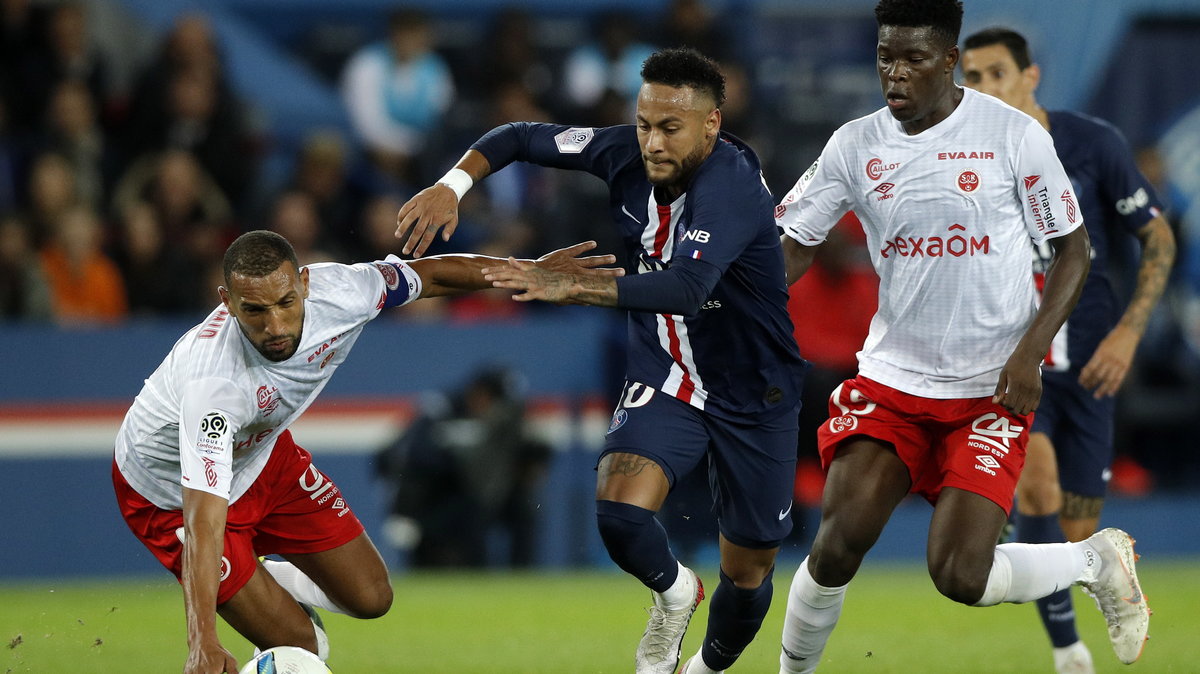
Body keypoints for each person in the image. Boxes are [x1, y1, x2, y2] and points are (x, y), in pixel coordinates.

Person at [396, 47, 808, 674]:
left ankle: (703, 669)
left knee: (748, 571)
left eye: (670, 128)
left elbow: (688, 290)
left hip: (755, 388)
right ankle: (675, 592)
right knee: (618, 512)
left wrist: (575, 287)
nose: (652, 142)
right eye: (644, 123)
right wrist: (452, 185)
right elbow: (520, 136)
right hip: (666, 371)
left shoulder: (731, 184)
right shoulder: (620, 151)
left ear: (711, 125)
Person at [772, 2, 1149, 672]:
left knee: (959, 576)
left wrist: (1030, 352)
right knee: (835, 543)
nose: (895, 72)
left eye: (914, 58)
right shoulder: (855, 144)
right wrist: (730, 297)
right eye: (886, 56)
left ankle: (1093, 559)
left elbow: (1073, 251)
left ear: (948, 61)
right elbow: (795, 244)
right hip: (892, 380)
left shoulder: (1012, 136)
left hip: (987, 388)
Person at [111, 229, 618, 674]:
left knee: (373, 598)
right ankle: (262, 596)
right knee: (303, 649)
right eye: (255, 311)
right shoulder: (212, 385)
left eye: (286, 302)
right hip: (170, 497)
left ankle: (269, 577)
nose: (276, 326)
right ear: (226, 301)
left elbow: (433, 276)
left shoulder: (343, 291)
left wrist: (527, 271)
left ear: (305, 283)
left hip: (263, 456)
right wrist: (203, 643)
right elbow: (203, 523)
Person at [961, 27, 1176, 674]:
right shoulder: (963, 155)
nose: (982, 88)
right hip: (1013, 365)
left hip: (1088, 363)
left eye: (995, 73)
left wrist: (1129, 331)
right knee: (1037, 487)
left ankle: (1093, 575)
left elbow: (1158, 240)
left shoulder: (1091, 144)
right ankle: (1069, 653)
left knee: (1078, 531)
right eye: (970, 77)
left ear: (1031, 77)